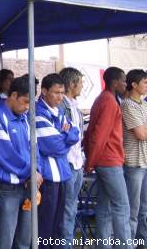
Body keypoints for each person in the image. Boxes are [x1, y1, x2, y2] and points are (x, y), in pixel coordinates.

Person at [0, 75, 43, 249]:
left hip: (28, 185)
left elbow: (35, 148)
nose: (27, 107)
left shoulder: (26, 118)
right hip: (6, 189)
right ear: (13, 95)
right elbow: (4, 154)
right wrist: (31, 172)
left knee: (25, 239)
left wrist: (37, 170)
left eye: (30, 104)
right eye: (25, 102)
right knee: (5, 240)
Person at [84, 66, 131, 249]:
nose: (125, 84)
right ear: (114, 82)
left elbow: (92, 134)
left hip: (104, 161)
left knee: (104, 208)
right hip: (109, 161)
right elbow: (99, 135)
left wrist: (92, 160)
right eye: (124, 80)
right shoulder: (110, 102)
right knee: (122, 207)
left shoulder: (102, 99)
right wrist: (90, 161)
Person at [35, 73, 79, 248]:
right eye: (56, 92)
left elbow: (76, 134)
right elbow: (52, 147)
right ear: (44, 91)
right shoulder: (38, 112)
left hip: (62, 173)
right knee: (45, 227)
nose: (60, 96)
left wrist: (64, 135)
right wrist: (65, 136)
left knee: (58, 225)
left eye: (62, 92)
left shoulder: (60, 111)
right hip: (47, 177)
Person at [58, 67, 84, 248]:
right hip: (66, 162)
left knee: (71, 207)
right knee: (66, 209)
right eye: (80, 82)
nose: (82, 86)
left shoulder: (75, 106)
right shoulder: (61, 106)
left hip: (77, 163)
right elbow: (64, 136)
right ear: (72, 84)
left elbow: (76, 135)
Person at [121, 69, 147, 243]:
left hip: (145, 162)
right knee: (133, 209)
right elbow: (140, 134)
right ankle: (128, 243)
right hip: (134, 163)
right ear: (134, 85)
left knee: (144, 208)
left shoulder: (144, 104)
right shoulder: (127, 105)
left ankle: (141, 242)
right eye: (144, 82)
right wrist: (143, 128)